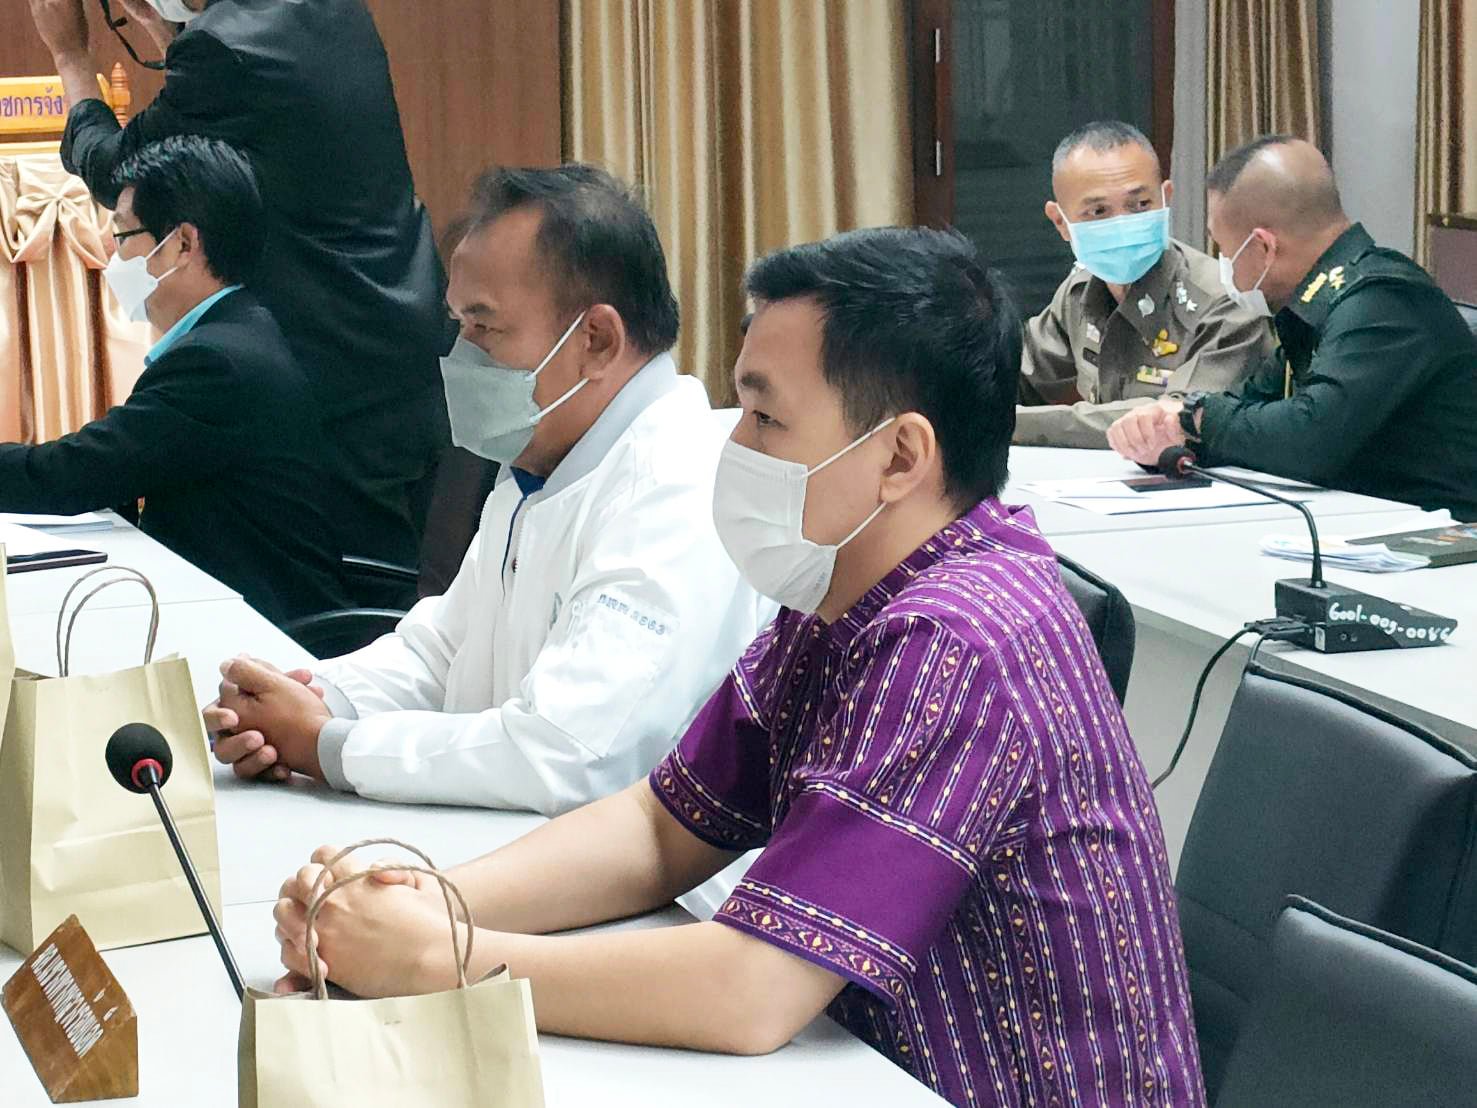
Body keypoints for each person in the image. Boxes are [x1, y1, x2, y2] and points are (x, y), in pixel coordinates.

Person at [267, 228, 1205, 1108]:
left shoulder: (955, 642)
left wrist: (437, 961)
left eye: (765, 416)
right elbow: (662, 827)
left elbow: (753, 991)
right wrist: (428, 901)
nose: (736, 446)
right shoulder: (844, 588)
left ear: (899, 455)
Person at [205, 165, 771, 812]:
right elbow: (441, 652)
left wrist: (328, 745)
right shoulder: (545, 464)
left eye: (484, 326)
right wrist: (306, 697)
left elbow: (564, 752)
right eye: (458, 323)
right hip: (501, 834)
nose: (460, 354)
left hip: (613, 867)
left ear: (596, 340)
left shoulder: (682, 488)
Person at [26, 0, 452, 572]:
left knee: (292, 568)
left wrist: (70, 54)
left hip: (322, 360)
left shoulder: (220, 51)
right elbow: (235, 129)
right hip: (401, 337)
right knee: (388, 569)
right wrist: (169, 35)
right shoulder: (330, 10)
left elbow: (121, 177)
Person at [0, 135, 346, 625]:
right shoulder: (239, 329)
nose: (112, 255)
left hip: (261, 633)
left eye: (122, 236)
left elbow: (75, 474)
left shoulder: (216, 362)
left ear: (182, 244)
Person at [1107, 135, 1477, 520]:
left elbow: (1308, 440)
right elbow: (1253, 411)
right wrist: (1173, 433)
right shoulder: (1313, 310)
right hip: (1365, 524)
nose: (1224, 263)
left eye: (1225, 249)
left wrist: (1195, 417)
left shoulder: (1384, 301)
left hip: (1446, 541)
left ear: (1264, 247)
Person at [1017, 120, 1271, 448]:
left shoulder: (1224, 302)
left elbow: (1172, 422)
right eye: (1098, 211)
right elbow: (1014, 376)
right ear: (1060, 222)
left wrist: (1012, 425)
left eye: (1140, 205)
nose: (1122, 223)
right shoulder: (1080, 291)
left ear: (1166, 198)